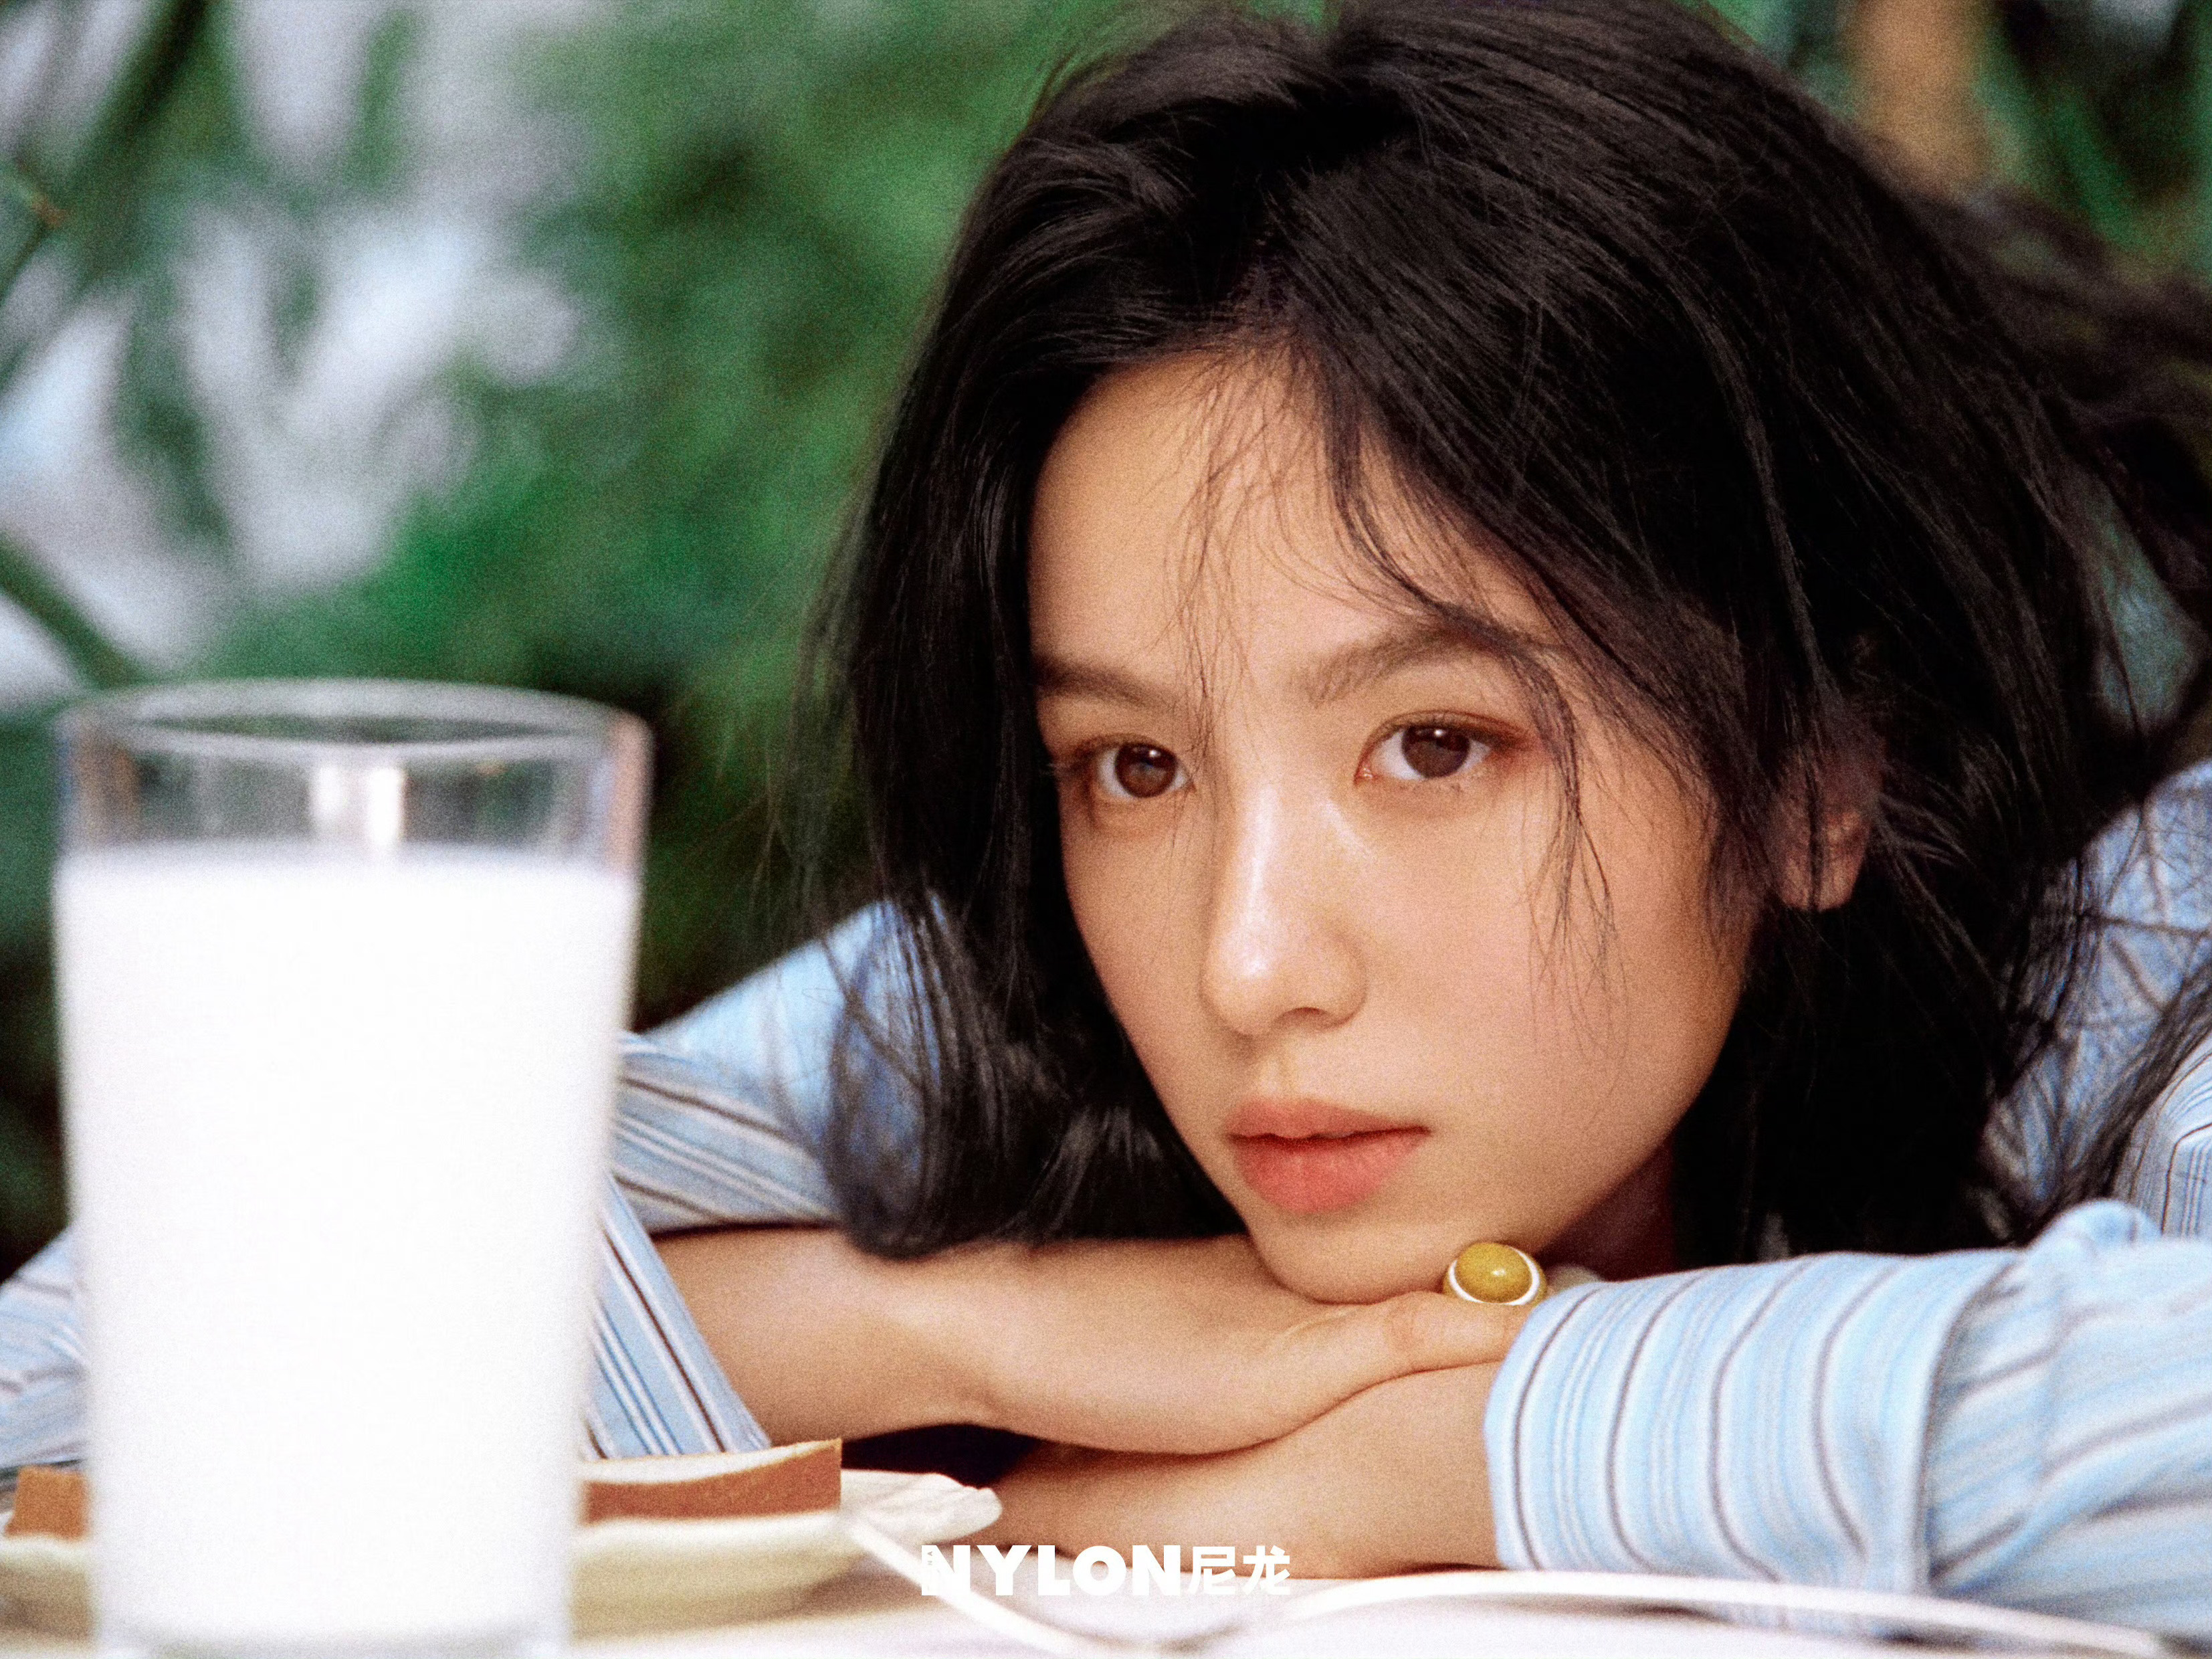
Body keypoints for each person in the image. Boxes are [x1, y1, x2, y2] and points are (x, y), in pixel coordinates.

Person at [9, 0, 2212, 1634]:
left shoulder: (2137, 944)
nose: (1248, 960)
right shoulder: (1022, 1005)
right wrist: (962, 1323)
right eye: (1134, 766)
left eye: (1434, 746)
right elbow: (83, 1376)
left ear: (1820, 769)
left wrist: (1413, 1459)